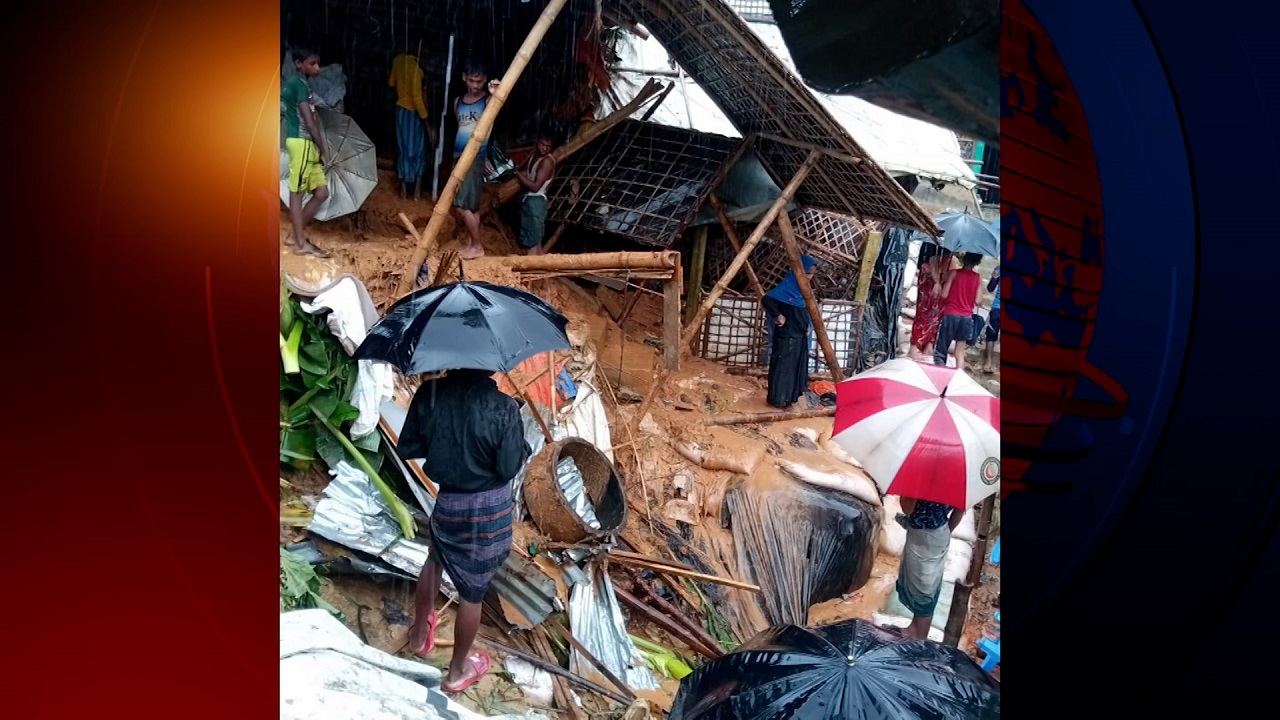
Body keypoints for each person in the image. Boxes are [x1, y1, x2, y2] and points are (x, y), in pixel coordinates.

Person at [397, 369, 531, 694]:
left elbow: (410, 445)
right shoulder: (503, 408)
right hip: (487, 513)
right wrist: (517, 439)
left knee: (435, 558)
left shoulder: (429, 394)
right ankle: (457, 671)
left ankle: (418, 636)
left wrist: (452, 440)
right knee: (473, 589)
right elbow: (508, 466)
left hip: (448, 501)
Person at [894, 497, 968, 640]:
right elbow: (959, 510)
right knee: (926, 585)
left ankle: (920, 637)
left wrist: (913, 493)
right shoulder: (958, 481)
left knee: (923, 590)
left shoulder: (921, 480)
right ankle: (914, 628)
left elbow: (907, 509)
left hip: (923, 539)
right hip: (940, 533)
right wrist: (945, 532)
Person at [282, 46, 330, 258]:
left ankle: (295, 235)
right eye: (312, 63)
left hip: (308, 144)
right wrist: (323, 149)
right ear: (299, 64)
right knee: (297, 192)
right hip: (301, 142)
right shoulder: (297, 85)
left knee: (321, 193)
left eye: (318, 62)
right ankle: (300, 243)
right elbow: (310, 123)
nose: (317, 67)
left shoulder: (303, 84)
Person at [452, 64, 500, 259]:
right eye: (472, 80)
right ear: (464, 77)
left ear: (485, 79)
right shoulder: (457, 102)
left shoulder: (488, 101)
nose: (475, 85)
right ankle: (472, 244)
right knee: (472, 207)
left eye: (479, 81)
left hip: (474, 157)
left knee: (460, 205)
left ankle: (478, 245)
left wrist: (496, 93)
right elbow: (461, 126)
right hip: (459, 155)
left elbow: (500, 104)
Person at [762, 255, 818, 409]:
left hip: (799, 337)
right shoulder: (786, 289)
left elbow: (804, 311)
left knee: (796, 368)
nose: (810, 277)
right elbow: (767, 300)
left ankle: (791, 398)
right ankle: (778, 399)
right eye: (807, 273)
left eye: (812, 274)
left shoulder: (802, 292)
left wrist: (808, 326)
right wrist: (778, 316)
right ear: (798, 271)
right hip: (786, 337)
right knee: (783, 368)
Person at [388, 52, 436, 200]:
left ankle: (403, 191)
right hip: (414, 115)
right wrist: (427, 125)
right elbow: (417, 100)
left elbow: (391, 83)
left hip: (401, 112)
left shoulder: (397, 61)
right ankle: (416, 192)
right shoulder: (417, 71)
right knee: (418, 151)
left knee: (403, 149)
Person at [934, 252, 983, 368]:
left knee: (941, 350)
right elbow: (978, 301)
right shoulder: (978, 277)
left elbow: (944, 295)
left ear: (964, 259)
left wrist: (942, 284)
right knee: (959, 352)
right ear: (978, 262)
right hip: (966, 318)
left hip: (951, 314)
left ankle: (940, 376)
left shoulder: (954, 273)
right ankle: (958, 378)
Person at [515, 135, 556, 255]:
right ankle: (540, 270)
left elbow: (535, 187)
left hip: (536, 202)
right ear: (537, 142)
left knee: (531, 242)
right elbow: (526, 172)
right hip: (532, 202)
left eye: (548, 146)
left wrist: (516, 173)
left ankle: (531, 270)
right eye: (542, 145)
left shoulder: (547, 162)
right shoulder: (534, 156)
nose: (545, 148)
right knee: (536, 242)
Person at [909, 245, 951, 360]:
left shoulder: (932, 241)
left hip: (933, 280)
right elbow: (934, 261)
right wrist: (938, 281)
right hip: (933, 282)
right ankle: (919, 345)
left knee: (929, 314)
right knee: (930, 314)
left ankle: (925, 344)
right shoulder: (943, 243)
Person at [983, 267, 1000, 374]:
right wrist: (994, 278)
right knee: (991, 333)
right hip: (997, 307)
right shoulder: (999, 269)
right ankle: (988, 361)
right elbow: (990, 288)